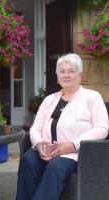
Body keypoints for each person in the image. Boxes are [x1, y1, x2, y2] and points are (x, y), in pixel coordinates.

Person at [16, 53, 109, 200]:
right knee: (28, 160)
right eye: (62, 71)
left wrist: (72, 145)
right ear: (58, 77)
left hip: (76, 153)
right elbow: (35, 128)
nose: (66, 75)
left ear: (79, 75)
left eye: (71, 71)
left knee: (56, 166)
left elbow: (102, 129)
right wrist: (39, 144)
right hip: (47, 150)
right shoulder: (49, 99)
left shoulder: (92, 97)